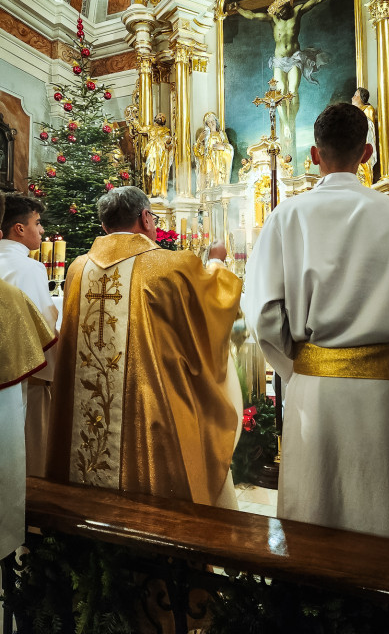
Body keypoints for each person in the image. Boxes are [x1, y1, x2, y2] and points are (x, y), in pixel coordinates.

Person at [243, 102, 389, 544]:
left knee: (317, 522)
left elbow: (263, 317)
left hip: (316, 399)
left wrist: (302, 370)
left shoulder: (286, 217)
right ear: (368, 153)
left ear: (314, 155)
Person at [46, 186, 242, 509]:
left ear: (105, 226)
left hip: (83, 420)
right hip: (151, 416)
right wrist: (218, 265)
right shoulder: (171, 266)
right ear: (147, 218)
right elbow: (214, 310)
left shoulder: (77, 269)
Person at [233, 0, 348, 166]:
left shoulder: (297, 11)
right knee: (277, 95)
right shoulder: (272, 19)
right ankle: (285, 125)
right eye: (276, 12)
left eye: (281, 11)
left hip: (295, 58)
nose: (279, 14)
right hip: (279, 60)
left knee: (292, 91)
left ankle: (290, 121)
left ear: (287, 7)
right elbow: (252, 15)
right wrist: (238, 8)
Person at [0, 191, 56, 561]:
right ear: (19, 229)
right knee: (22, 450)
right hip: (18, 373)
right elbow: (45, 329)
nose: (41, 231)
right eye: (37, 224)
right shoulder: (30, 268)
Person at [194, 112, 234, 192]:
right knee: (209, 183)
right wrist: (199, 140)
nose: (212, 123)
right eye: (209, 121)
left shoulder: (221, 134)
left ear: (216, 121)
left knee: (219, 182)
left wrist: (223, 148)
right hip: (208, 163)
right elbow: (197, 153)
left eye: (213, 120)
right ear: (206, 124)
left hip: (219, 163)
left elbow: (229, 148)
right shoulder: (204, 135)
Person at [142, 112, 174, 199]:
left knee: (159, 172)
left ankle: (159, 192)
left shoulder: (166, 131)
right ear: (155, 117)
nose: (161, 117)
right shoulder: (149, 128)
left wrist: (168, 142)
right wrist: (132, 119)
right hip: (151, 152)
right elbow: (139, 129)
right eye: (160, 115)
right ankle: (149, 191)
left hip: (161, 154)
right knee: (149, 172)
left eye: (163, 116)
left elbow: (169, 145)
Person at [351, 86, 377, 186]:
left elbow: (368, 129)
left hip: (362, 146)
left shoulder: (368, 109)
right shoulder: (352, 113)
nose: (352, 98)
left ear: (362, 98)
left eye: (355, 95)